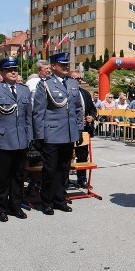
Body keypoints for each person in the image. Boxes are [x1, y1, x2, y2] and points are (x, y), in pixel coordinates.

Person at [32, 52, 84, 215]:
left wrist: (79, 129)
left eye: (67, 64)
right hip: (52, 134)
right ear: (53, 66)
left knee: (63, 168)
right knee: (50, 169)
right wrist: (39, 135)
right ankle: (46, 201)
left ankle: (59, 198)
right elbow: (38, 112)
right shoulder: (45, 84)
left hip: (68, 133)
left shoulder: (72, 83)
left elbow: (77, 108)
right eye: (62, 65)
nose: (66, 67)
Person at [0, 57, 32, 221]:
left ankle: (16, 206)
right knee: (3, 177)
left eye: (15, 70)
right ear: (2, 73)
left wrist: (30, 137)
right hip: (3, 139)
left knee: (18, 176)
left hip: (21, 139)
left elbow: (28, 117)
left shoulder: (24, 90)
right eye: (9, 70)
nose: (13, 72)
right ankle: (0, 208)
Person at [69, 70, 96, 189]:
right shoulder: (67, 93)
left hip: (84, 129)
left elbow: (92, 109)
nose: (79, 80)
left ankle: (82, 179)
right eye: (76, 78)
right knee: (67, 156)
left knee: (83, 155)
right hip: (70, 129)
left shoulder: (85, 93)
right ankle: (65, 180)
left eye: (80, 78)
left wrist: (92, 117)